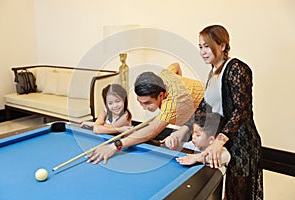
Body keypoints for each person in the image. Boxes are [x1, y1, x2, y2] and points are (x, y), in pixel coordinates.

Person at [194, 25, 263, 200]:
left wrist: (219, 141)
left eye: (207, 46)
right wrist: (185, 130)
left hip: (242, 143)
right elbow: (205, 106)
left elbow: (242, 110)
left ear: (222, 46)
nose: (202, 51)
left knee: (237, 195)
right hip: (223, 140)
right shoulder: (212, 72)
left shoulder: (237, 68)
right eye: (200, 46)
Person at [86, 63, 204, 164]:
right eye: (140, 102)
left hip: (212, 113)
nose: (143, 107)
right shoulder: (163, 76)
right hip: (195, 115)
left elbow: (149, 133)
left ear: (161, 95)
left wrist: (113, 146)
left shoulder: (173, 102)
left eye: (147, 103)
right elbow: (176, 66)